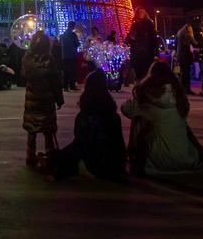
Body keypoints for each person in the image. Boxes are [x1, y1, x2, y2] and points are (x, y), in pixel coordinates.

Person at [121, 60, 203, 176]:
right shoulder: (178, 95)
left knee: (139, 118)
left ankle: (136, 155)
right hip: (184, 158)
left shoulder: (146, 93)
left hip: (155, 159)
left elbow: (125, 109)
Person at [49, 68, 126, 181]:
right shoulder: (113, 115)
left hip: (97, 166)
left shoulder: (85, 117)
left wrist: (60, 167)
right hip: (116, 166)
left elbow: (80, 145)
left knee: (69, 157)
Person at [21, 31, 63, 168]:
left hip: (32, 99)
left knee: (32, 130)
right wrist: (59, 99)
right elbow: (55, 81)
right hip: (46, 99)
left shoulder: (27, 58)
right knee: (48, 130)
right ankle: (50, 154)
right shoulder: (49, 60)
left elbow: (23, 76)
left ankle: (30, 154)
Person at [126, 8, 160, 80]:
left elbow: (154, 39)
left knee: (147, 75)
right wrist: (130, 38)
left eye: (142, 12)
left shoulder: (149, 24)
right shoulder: (134, 25)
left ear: (145, 13)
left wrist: (156, 54)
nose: (140, 14)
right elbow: (129, 39)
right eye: (138, 12)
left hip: (147, 54)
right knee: (138, 75)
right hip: (136, 55)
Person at [174, 22, 198, 94]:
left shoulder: (179, 32)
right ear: (188, 28)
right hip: (184, 57)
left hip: (178, 57)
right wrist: (194, 40)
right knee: (186, 74)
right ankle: (186, 89)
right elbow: (191, 44)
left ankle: (178, 89)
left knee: (178, 73)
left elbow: (175, 45)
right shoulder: (186, 34)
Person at [60, 21, 80, 91]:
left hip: (65, 55)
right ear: (73, 26)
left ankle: (65, 86)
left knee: (66, 71)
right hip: (72, 55)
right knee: (72, 71)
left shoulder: (63, 34)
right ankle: (72, 85)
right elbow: (77, 44)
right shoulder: (73, 34)